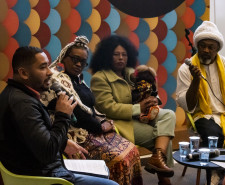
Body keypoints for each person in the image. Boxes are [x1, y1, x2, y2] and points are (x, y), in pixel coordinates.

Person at [0, 46, 118, 185]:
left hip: (43, 169)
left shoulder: (19, 95)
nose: (50, 72)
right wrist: (62, 115)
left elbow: (32, 138)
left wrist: (62, 143)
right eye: (43, 67)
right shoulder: (22, 104)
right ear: (24, 73)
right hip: (43, 178)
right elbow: (47, 152)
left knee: (103, 173)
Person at [40, 36, 143, 185]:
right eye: (74, 58)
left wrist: (102, 121)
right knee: (119, 160)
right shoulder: (58, 79)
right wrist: (100, 126)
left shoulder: (79, 79)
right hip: (75, 135)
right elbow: (77, 112)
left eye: (82, 61)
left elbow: (90, 108)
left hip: (91, 129)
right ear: (64, 57)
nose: (78, 64)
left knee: (132, 150)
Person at [89, 35, 176, 185]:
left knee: (169, 115)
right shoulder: (99, 78)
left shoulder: (131, 72)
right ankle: (164, 178)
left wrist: (154, 100)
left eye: (124, 54)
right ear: (107, 55)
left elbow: (147, 89)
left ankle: (158, 160)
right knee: (161, 136)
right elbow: (108, 108)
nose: (121, 58)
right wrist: (138, 108)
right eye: (116, 54)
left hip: (140, 115)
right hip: (121, 123)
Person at [176, 21, 225, 184]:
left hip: (224, 114)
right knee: (213, 136)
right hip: (201, 115)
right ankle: (214, 178)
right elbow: (188, 106)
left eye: (210, 47)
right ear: (197, 46)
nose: (206, 50)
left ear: (217, 49)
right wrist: (196, 80)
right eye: (202, 46)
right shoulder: (186, 69)